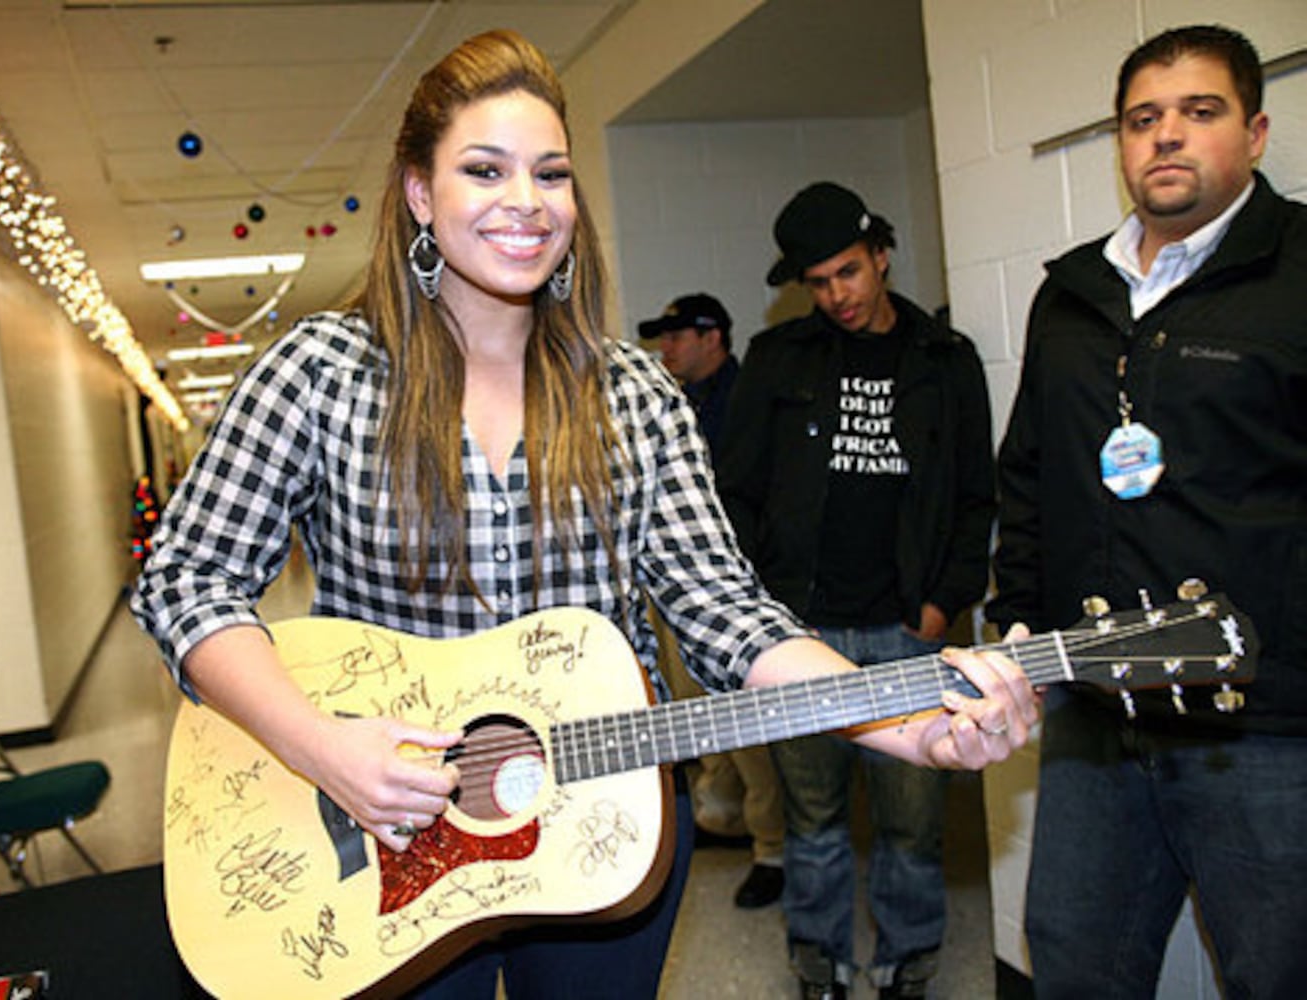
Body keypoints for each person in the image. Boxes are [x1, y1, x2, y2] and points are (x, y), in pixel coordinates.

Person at [132, 30, 1034, 1000]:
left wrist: (915, 724)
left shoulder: (632, 395)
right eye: (485, 169)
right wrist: (322, 747)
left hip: (604, 820)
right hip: (380, 828)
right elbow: (186, 578)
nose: (526, 200)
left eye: (551, 173)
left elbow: (726, 613)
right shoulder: (325, 373)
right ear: (419, 194)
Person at [987, 23, 1307, 998]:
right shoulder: (1070, 295)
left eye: (1198, 111)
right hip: (1094, 708)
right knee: (1073, 961)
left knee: (1276, 973)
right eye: (1141, 118)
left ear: (1254, 132)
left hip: (1263, 724)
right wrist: (1021, 628)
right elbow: (1028, 475)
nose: (1165, 134)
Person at [716, 183, 997, 999]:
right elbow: (736, 491)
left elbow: (974, 496)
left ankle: (908, 960)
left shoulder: (945, 360)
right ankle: (818, 959)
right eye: (818, 282)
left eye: (848, 271)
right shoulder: (778, 360)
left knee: (912, 819)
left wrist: (943, 603)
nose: (836, 294)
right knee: (812, 815)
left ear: (880, 255)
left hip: (908, 629)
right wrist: (761, 613)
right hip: (799, 634)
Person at [638, 293, 787, 910]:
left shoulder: (747, 399)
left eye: (677, 336)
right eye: (663, 337)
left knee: (746, 728)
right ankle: (725, 818)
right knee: (700, 715)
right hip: (675, 590)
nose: (665, 348)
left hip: (733, 592)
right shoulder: (677, 402)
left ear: (712, 337)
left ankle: (773, 849)